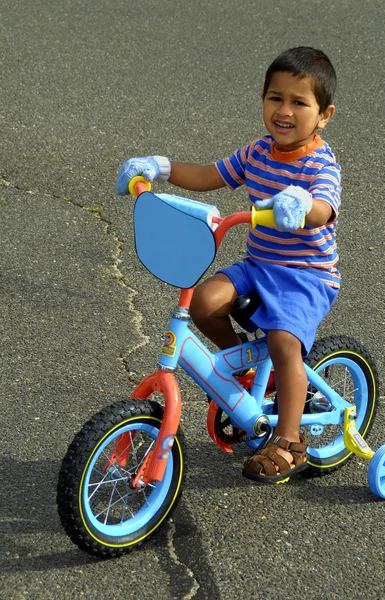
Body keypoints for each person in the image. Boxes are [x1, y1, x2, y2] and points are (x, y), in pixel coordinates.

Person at [117, 46, 341, 484]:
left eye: (300, 102)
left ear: (324, 114)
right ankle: (243, 368)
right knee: (202, 303)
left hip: (306, 275)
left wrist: (301, 203)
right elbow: (208, 175)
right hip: (260, 264)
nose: (285, 110)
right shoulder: (258, 152)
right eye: (275, 98)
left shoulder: (321, 163)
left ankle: (290, 440)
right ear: (262, 100)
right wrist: (158, 168)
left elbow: (323, 208)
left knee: (283, 342)